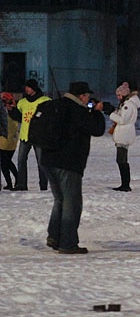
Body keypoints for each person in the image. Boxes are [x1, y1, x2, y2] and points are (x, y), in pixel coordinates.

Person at [41, 82, 106, 254]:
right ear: (82, 96)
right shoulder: (77, 110)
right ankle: (68, 243)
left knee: (60, 200)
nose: (88, 100)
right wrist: (97, 112)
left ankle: (54, 236)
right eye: (87, 97)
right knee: (72, 203)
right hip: (68, 162)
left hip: (47, 159)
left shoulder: (55, 105)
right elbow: (97, 129)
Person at [8, 79, 51, 191]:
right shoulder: (22, 102)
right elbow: (18, 117)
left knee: (41, 162)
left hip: (39, 136)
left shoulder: (44, 100)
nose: (27, 89)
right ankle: (21, 184)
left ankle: (43, 185)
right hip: (25, 136)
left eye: (29, 87)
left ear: (34, 88)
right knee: (21, 161)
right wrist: (12, 109)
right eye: (26, 87)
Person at [109, 82, 140, 192]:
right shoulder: (128, 104)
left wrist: (111, 114)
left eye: (119, 95)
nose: (118, 97)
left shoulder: (128, 105)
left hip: (124, 134)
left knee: (121, 160)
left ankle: (125, 184)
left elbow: (122, 120)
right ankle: (125, 183)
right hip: (125, 133)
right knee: (122, 159)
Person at [0, 92, 19, 190]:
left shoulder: (9, 109)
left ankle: (12, 182)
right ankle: (16, 179)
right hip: (10, 139)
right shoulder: (14, 108)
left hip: (6, 138)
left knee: (4, 163)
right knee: (7, 162)